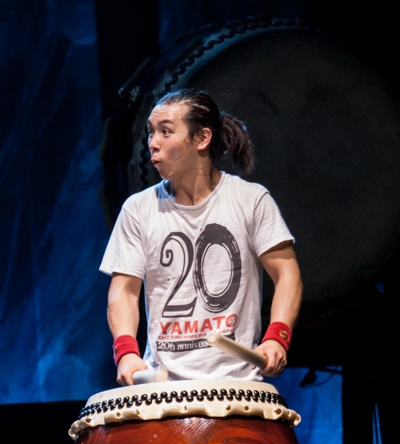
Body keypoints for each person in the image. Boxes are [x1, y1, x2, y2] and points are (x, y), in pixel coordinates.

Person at [100, 88, 301, 386]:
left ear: (202, 139)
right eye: (150, 132)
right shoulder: (138, 209)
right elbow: (124, 291)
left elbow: (287, 274)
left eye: (165, 132)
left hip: (238, 385)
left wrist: (277, 337)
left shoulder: (251, 200)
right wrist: (127, 352)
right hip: (164, 388)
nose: (152, 144)